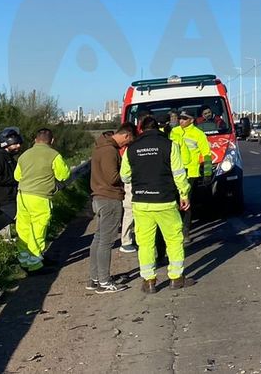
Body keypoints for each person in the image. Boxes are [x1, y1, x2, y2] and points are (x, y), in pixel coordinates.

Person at [121, 115, 191, 293]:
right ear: (159, 128)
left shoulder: (132, 149)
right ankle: (176, 278)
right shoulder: (170, 145)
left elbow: (125, 176)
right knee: (174, 240)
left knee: (145, 243)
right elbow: (179, 173)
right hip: (165, 201)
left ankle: (149, 281)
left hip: (141, 203)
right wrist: (184, 194)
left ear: (141, 129)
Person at [14, 128, 72, 273]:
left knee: (24, 228)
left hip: (22, 196)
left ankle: (24, 260)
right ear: (52, 141)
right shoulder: (54, 155)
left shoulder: (24, 155)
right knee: (38, 229)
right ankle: (34, 264)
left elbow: (17, 176)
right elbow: (63, 175)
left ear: (35, 139)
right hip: (40, 196)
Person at [87, 124, 136, 293]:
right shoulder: (109, 151)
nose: (126, 146)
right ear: (127, 135)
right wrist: (128, 175)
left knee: (98, 238)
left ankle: (94, 278)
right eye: (129, 142)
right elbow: (113, 177)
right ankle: (104, 282)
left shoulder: (100, 147)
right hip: (110, 198)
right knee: (106, 242)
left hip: (98, 196)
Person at [171, 109, 212, 243]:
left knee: (187, 204)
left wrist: (207, 173)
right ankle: (175, 230)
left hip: (191, 173)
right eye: (180, 118)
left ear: (191, 120)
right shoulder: (174, 132)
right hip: (174, 173)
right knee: (174, 203)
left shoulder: (198, 134)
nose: (181, 120)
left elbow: (206, 154)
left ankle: (185, 232)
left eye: (184, 118)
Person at [0, 127, 23, 241]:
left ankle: (26, 248)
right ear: (6, 144)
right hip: (2, 201)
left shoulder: (9, 158)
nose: (18, 146)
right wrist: (16, 180)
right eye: (15, 144)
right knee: (24, 221)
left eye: (19, 143)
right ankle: (26, 250)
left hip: (11, 198)